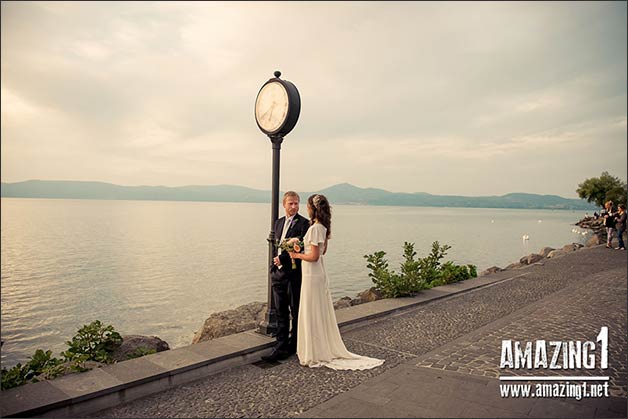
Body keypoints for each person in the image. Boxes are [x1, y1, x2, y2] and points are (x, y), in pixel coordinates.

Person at [289, 194, 384, 370]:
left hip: (312, 274)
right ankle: (316, 347)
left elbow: (314, 256)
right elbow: (322, 252)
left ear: (313, 208)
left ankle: (314, 352)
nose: (306, 208)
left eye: (308, 205)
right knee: (316, 309)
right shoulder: (323, 227)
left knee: (312, 310)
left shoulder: (316, 228)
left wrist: (296, 255)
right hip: (317, 273)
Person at [262, 191, 310, 361]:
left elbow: (302, 245)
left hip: (293, 274)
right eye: (290, 203)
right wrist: (273, 267)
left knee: (295, 311)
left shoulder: (304, 223)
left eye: (296, 203)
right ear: (284, 204)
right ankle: (280, 345)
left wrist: (281, 258)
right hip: (278, 274)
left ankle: (294, 344)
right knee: (280, 311)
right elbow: (276, 246)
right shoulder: (278, 223)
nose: (294, 206)